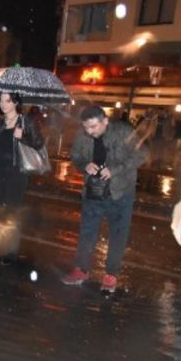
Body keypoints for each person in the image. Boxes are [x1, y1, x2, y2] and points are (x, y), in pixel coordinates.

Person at [61, 105, 147, 293]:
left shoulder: (123, 132)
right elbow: (75, 156)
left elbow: (141, 154)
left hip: (120, 192)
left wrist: (115, 170)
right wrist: (85, 166)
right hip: (93, 191)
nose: (89, 131)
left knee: (118, 233)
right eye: (86, 127)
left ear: (105, 121)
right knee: (87, 231)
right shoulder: (83, 135)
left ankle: (111, 274)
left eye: (94, 127)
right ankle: (81, 269)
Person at [0, 92, 44, 264]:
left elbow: (39, 143)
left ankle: (10, 252)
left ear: (16, 102)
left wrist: (22, 137)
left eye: (7, 101)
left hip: (17, 174)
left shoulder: (26, 122)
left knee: (11, 212)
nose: (3, 104)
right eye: (1, 100)